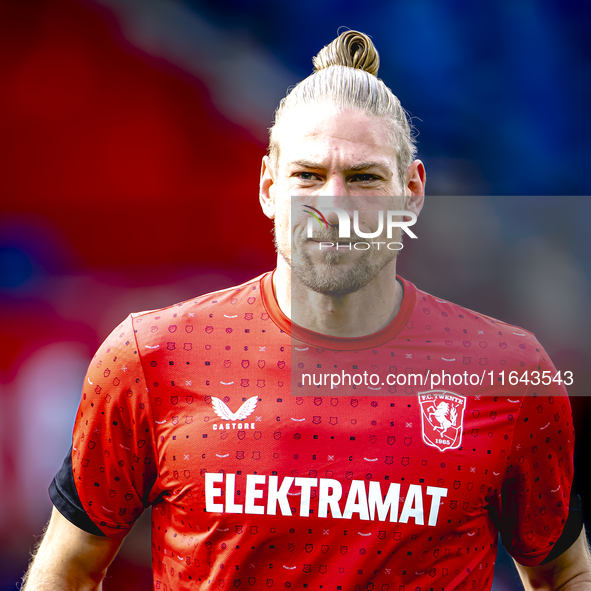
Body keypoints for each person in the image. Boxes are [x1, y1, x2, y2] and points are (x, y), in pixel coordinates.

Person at [22, 30, 591, 591]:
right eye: (308, 177)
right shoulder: (151, 357)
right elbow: (68, 569)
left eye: (365, 178)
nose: (333, 206)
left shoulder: (507, 373)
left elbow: (563, 573)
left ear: (412, 193)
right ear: (269, 186)